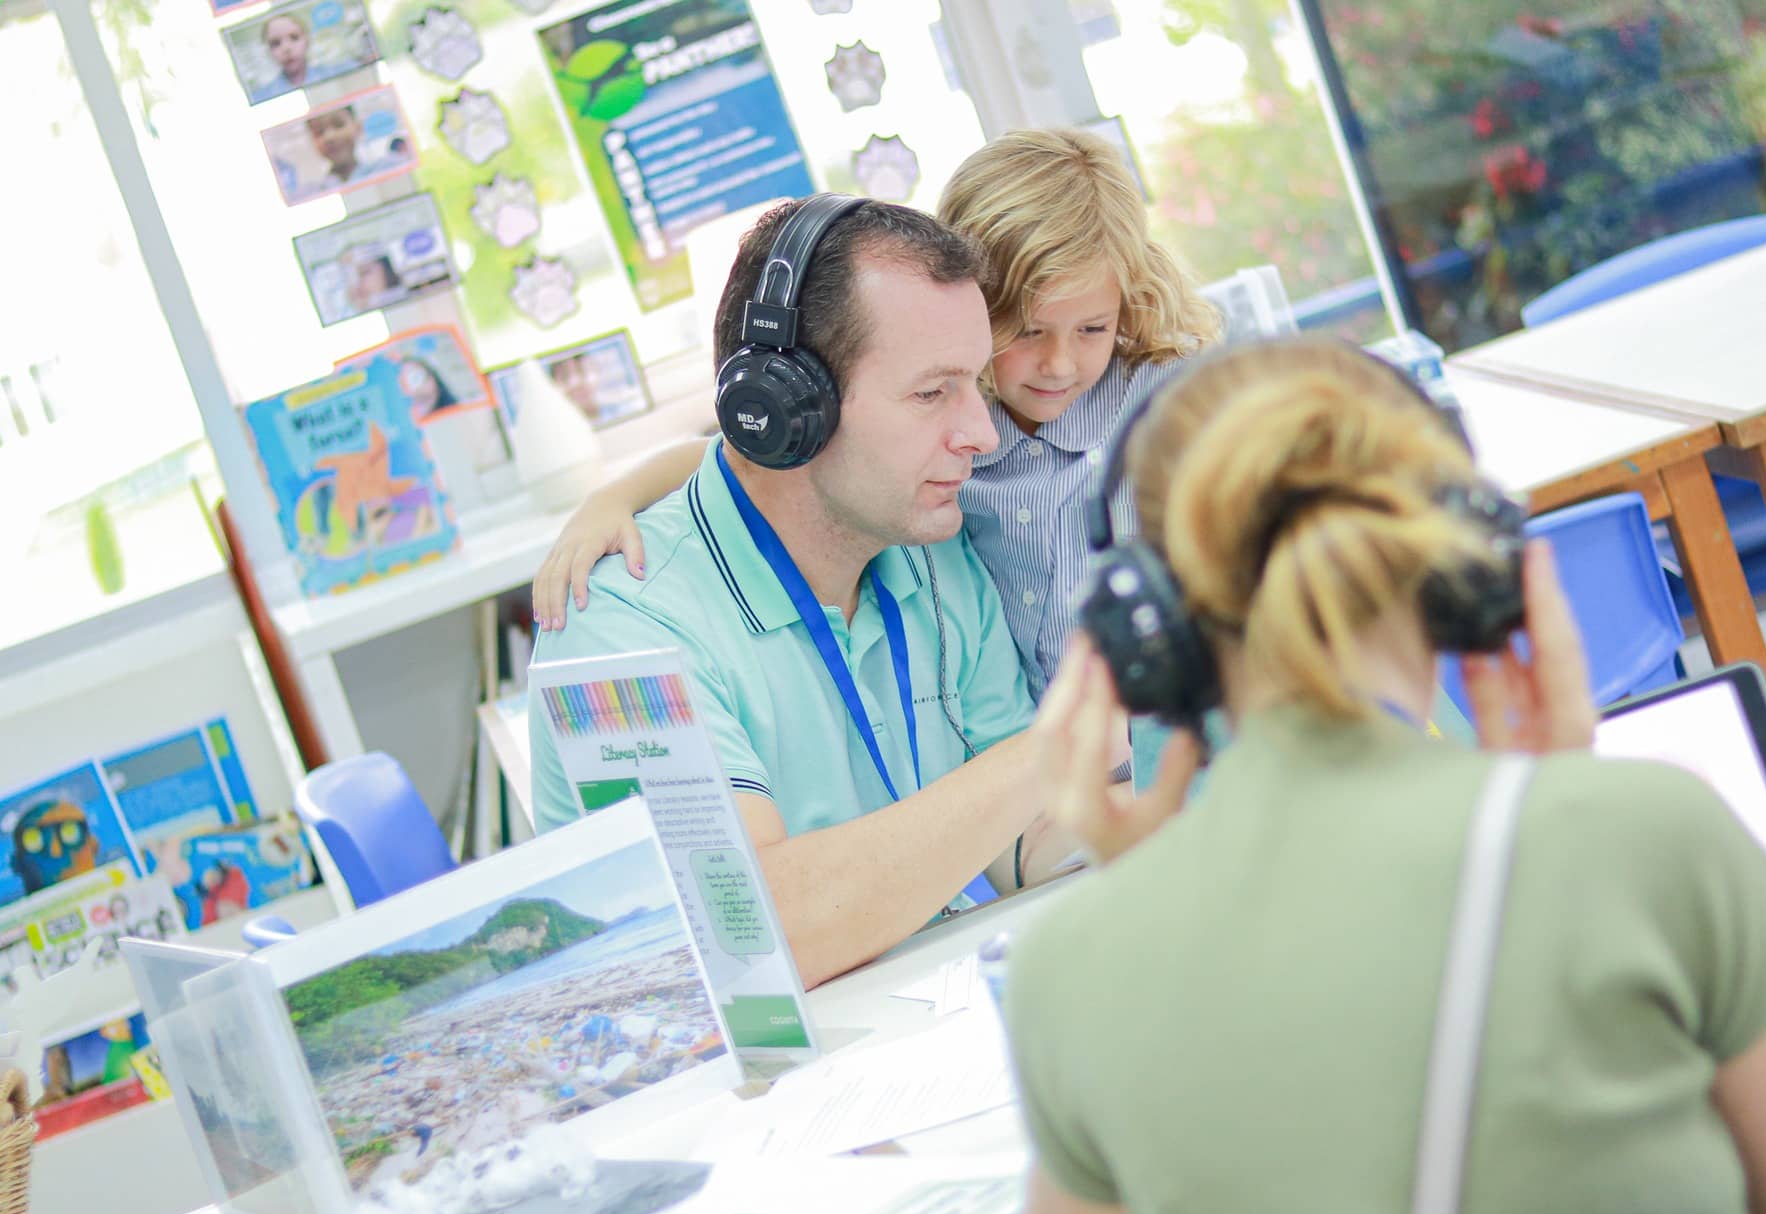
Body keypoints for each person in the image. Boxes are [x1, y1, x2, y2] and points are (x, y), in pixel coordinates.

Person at [1007, 338, 1766, 1214]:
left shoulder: (1072, 965)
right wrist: (1554, 788)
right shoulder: (1638, 829)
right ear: (1463, 558)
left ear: (1151, 630)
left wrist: (1137, 897)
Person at [527, 197, 1093, 988]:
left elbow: (1017, 836)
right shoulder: (615, 629)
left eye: (977, 386)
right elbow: (745, 938)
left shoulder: (931, 548)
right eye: (933, 393)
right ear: (783, 408)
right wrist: (1075, 726)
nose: (982, 435)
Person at [529, 128, 1220, 703]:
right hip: (1048, 752)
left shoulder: (1167, 402)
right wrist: (615, 496)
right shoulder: (955, 417)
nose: (1060, 365)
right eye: (1029, 332)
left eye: (1093, 330)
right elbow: (741, 450)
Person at [247, 11, 357, 102]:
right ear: (268, 51)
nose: (286, 48)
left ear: (307, 40)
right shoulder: (260, 97)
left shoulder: (342, 71)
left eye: (294, 37)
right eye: (276, 43)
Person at [304, 103, 410, 193]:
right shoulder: (313, 191)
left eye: (339, 125)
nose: (329, 137)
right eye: (319, 132)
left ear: (358, 128)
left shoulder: (389, 167)